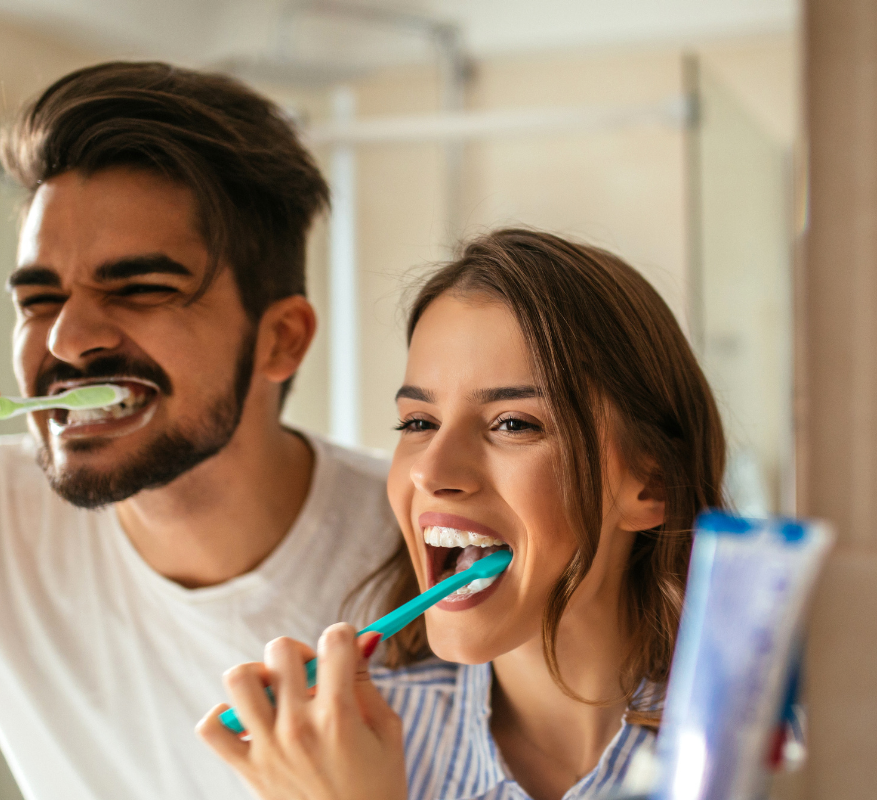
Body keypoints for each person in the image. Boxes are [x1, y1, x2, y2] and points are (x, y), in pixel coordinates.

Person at [0, 62, 399, 800]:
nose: (66, 341)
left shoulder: (427, 557)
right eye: (40, 298)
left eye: (141, 288)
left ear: (281, 339)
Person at [197, 229, 727, 800]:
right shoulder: (334, 757)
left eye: (514, 424)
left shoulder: (776, 747)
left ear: (652, 484)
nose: (432, 471)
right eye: (419, 423)